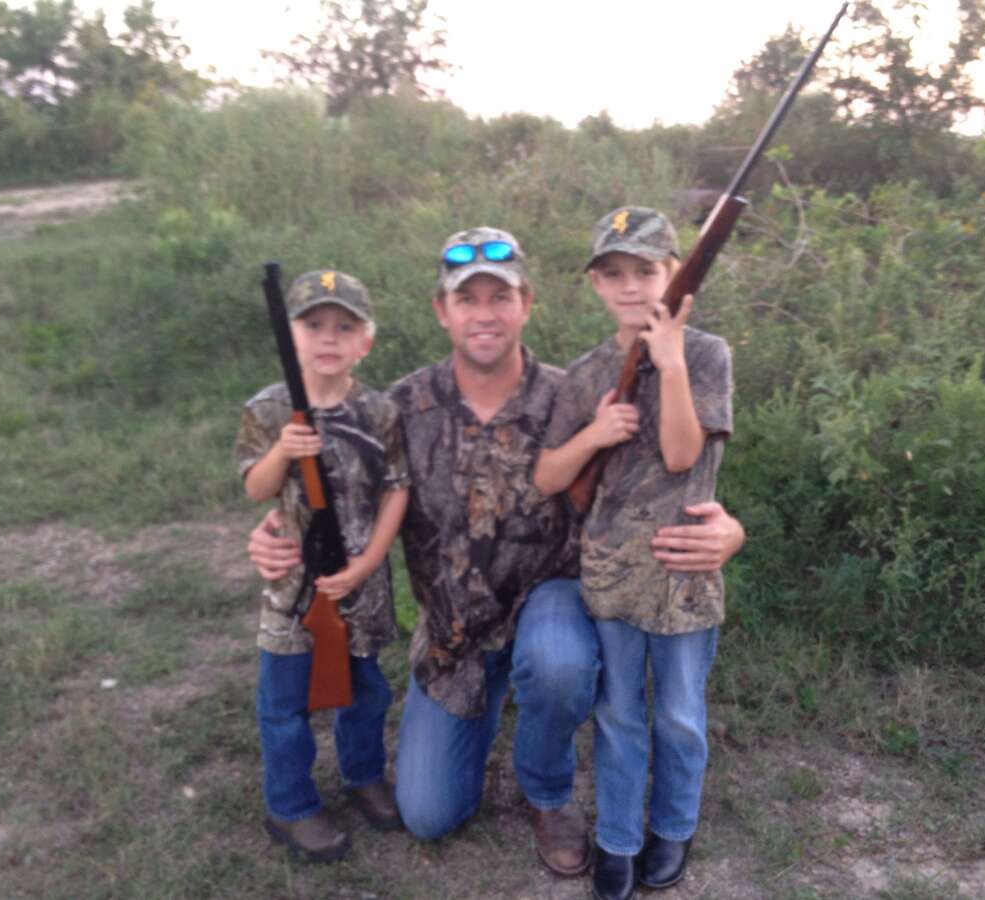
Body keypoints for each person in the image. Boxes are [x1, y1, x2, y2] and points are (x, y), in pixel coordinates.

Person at [246, 227, 747, 878]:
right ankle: (481, 717)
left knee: (560, 665)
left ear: (526, 304)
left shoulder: (574, 393)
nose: (484, 313)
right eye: (467, 298)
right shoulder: (398, 408)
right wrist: (274, 535)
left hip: (549, 605)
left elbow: (655, 480)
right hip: (453, 634)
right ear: (442, 310)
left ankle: (546, 792)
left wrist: (729, 530)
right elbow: (336, 496)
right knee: (428, 814)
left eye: (500, 297)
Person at [534, 207, 732, 900]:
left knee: (679, 713)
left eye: (646, 271)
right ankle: (618, 839)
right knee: (618, 714)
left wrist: (669, 364)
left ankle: (672, 827)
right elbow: (548, 477)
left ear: (675, 275)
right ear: (595, 284)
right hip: (611, 577)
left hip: (684, 576)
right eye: (613, 273)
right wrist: (594, 434)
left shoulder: (705, 354)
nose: (630, 286)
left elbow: (681, 456)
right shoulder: (586, 373)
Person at [235, 270, 410, 863]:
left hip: (362, 587)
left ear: (366, 341)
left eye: (344, 326)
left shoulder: (379, 411)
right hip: (291, 591)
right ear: (292, 336)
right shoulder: (268, 409)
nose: (328, 337)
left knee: (366, 692)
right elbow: (256, 488)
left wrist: (369, 562)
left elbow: (397, 489)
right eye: (313, 325)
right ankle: (290, 807)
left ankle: (365, 776)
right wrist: (285, 449)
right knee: (284, 703)